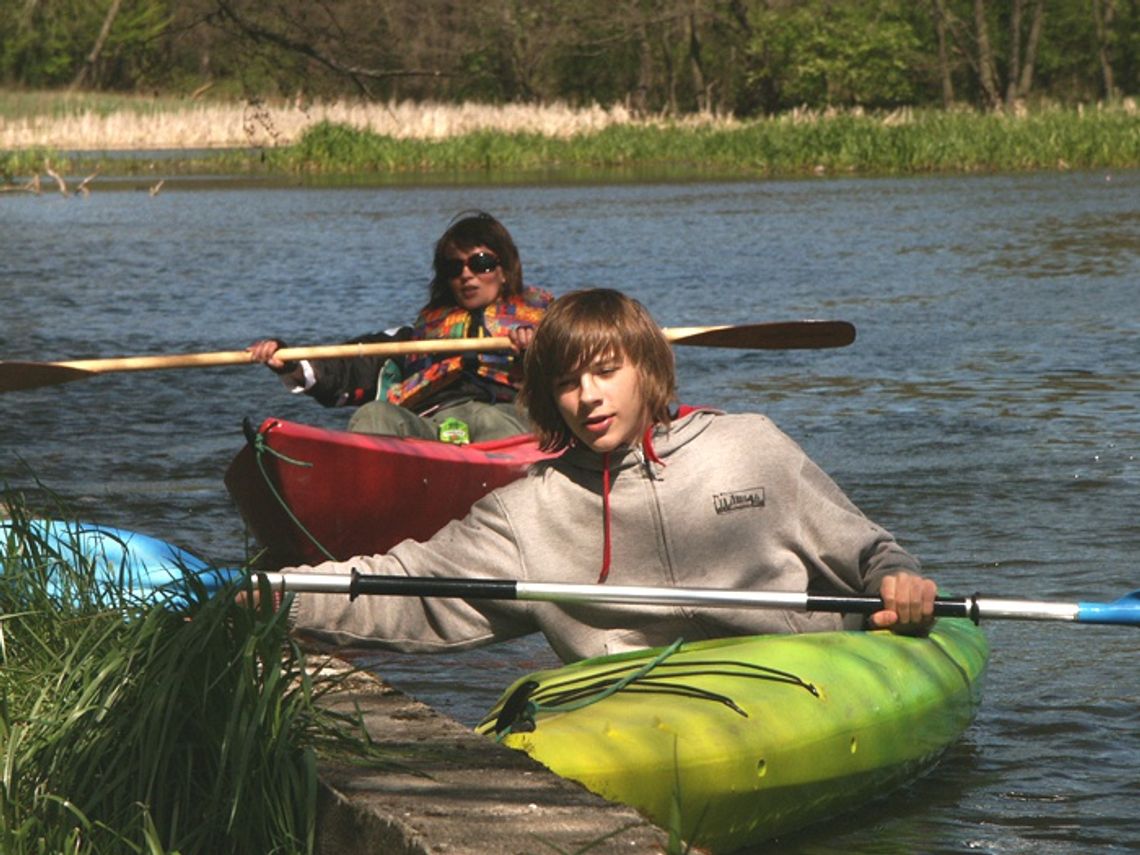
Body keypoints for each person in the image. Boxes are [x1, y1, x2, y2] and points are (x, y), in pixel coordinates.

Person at [273, 288, 937, 664]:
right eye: (566, 381)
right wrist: (272, 593)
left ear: (648, 371)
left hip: (800, 682)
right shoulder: (525, 510)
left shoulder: (750, 447)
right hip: (642, 708)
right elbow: (407, 585)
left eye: (606, 371)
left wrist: (896, 579)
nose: (587, 396)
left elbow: (869, 550)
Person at [248, 211, 552, 443]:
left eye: (481, 263)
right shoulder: (416, 335)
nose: (467, 275)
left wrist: (541, 350)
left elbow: (582, 369)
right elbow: (349, 366)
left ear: (504, 270)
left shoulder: (550, 324)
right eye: (453, 267)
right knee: (373, 414)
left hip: (506, 418)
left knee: (489, 422)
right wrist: (289, 363)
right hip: (433, 424)